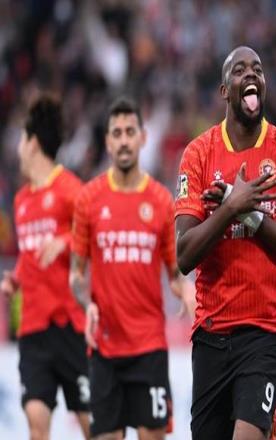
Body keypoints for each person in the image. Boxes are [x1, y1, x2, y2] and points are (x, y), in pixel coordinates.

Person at [175, 46, 276, 440]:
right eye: (240, 70)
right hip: (211, 333)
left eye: (258, 69)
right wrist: (230, 209)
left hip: (265, 334)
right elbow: (184, 254)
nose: (251, 74)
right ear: (225, 90)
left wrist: (252, 217)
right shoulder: (199, 154)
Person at [70, 97, 195, 440]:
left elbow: (174, 271)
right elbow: (76, 274)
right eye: (117, 133)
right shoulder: (89, 199)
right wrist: (87, 304)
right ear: (107, 141)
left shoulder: (161, 201)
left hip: (149, 348)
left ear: (143, 137)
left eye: (129, 132)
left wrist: (185, 288)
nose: (124, 140)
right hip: (104, 349)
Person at [0, 94, 90, 440]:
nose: (18, 148)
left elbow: (95, 236)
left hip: (70, 326)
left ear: (33, 143)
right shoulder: (22, 201)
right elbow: (29, 255)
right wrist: (15, 280)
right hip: (33, 330)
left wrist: (65, 242)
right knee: (36, 424)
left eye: (22, 139)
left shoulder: (70, 189)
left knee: (95, 427)